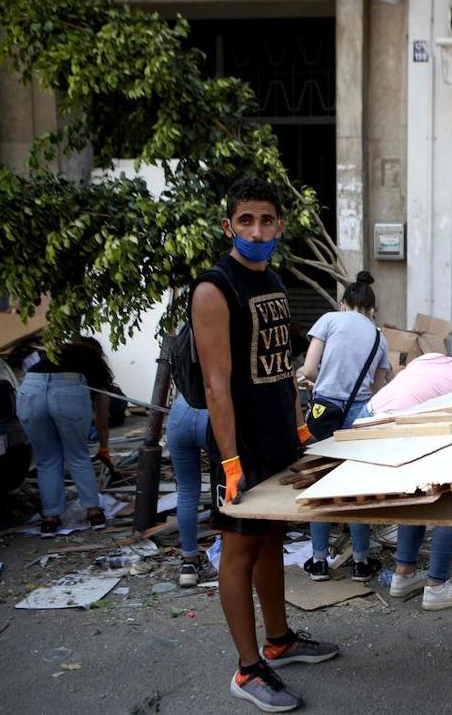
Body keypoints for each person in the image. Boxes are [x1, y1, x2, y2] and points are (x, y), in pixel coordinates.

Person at [193, 177, 336, 712]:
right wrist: (230, 461)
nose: (257, 230)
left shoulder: (272, 279)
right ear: (229, 226)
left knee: (271, 539)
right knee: (239, 549)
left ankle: (279, 640)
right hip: (243, 446)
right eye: (246, 220)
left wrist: (300, 428)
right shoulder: (215, 288)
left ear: (279, 226)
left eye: (267, 220)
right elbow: (216, 384)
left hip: (279, 439)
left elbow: (281, 371)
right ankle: (248, 669)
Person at [372, 321, 452, 610]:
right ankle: (437, 587)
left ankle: (403, 576)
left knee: (415, 497)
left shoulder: (433, 358)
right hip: (398, 434)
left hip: (370, 426)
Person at [299, 272, 391, 583]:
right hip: (359, 414)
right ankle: (362, 562)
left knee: (321, 483)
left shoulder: (328, 320)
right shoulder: (380, 337)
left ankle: (319, 560)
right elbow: (378, 390)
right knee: (355, 486)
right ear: (372, 309)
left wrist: (326, 384)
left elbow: (309, 369)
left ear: (343, 304)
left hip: (325, 409)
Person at [17, 337, 114, 535]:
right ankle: (94, 513)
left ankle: (50, 520)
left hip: (30, 389)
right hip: (68, 390)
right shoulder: (93, 365)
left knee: (46, 461)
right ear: (97, 354)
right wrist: (104, 448)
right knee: (78, 456)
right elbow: (102, 418)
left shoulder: (47, 358)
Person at [166, 395, 210, 587]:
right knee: (226, 485)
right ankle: (233, 557)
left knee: (186, 491)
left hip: (181, 409)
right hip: (214, 411)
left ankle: (189, 562)